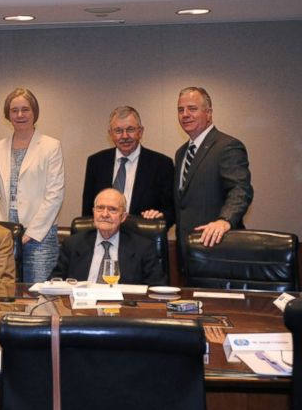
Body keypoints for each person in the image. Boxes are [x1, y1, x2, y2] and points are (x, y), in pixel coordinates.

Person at [0, 88, 65, 283]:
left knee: (39, 295)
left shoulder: (51, 146)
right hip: (5, 235)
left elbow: (54, 194)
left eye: (25, 109)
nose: (20, 115)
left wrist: (30, 234)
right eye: (14, 110)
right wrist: (2, 230)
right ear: (7, 114)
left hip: (40, 236)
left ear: (34, 112)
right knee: (7, 292)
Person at [173, 86, 252, 253]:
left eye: (192, 109)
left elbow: (240, 190)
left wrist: (225, 221)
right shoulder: (181, 153)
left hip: (218, 248)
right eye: (181, 110)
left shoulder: (227, 146)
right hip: (187, 250)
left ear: (208, 113)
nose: (185, 114)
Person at [82, 105, 175, 226]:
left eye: (130, 129)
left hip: (143, 241)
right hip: (104, 239)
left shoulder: (162, 164)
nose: (125, 136)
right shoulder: (96, 163)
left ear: (140, 132)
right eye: (118, 131)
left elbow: (171, 211)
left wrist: (159, 217)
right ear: (110, 134)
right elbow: (88, 211)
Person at [52, 188, 166, 285]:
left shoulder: (143, 248)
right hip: (82, 307)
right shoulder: (73, 244)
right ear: (93, 212)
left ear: (123, 217)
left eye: (112, 209)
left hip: (124, 308)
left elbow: (156, 288)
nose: (105, 214)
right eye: (100, 208)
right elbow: (55, 282)